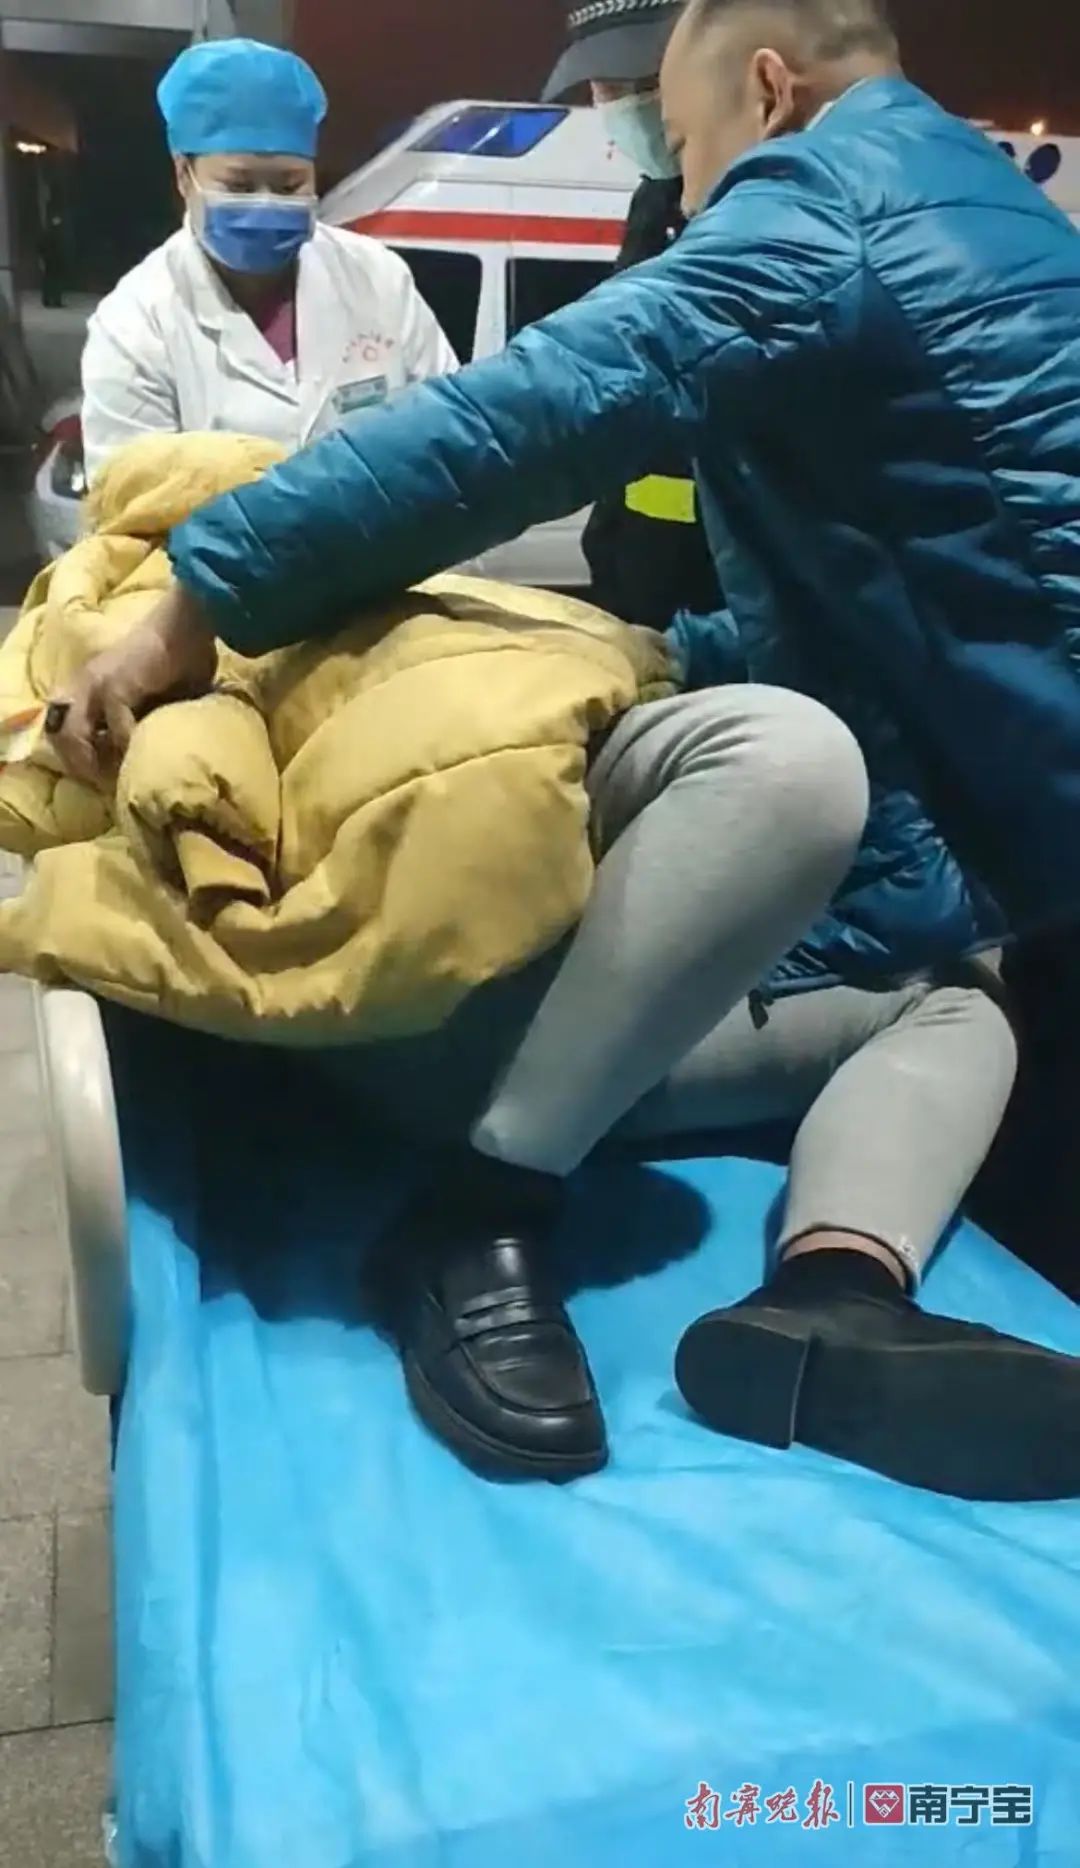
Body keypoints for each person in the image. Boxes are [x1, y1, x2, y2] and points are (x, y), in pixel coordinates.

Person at [53, 0, 1080, 1501]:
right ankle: (724, 1250)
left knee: (910, 940)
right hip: (461, 960)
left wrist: (205, 599)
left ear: (770, 91)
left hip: (573, 912)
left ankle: (810, 1287)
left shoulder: (819, 210)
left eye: (680, 137)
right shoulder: (995, 207)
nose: (674, 177)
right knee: (876, 880)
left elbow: (497, 424)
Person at [80, 39, 456, 482]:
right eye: (239, 186)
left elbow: (445, 432)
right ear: (184, 175)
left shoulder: (377, 278)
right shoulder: (136, 326)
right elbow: (134, 501)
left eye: (289, 185)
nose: (265, 204)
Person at [545, 0, 721, 630]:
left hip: (729, 596)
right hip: (643, 579)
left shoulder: (758, 206)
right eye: (605, 88)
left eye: (643, 84)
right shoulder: (655, 202)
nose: (624, 106)